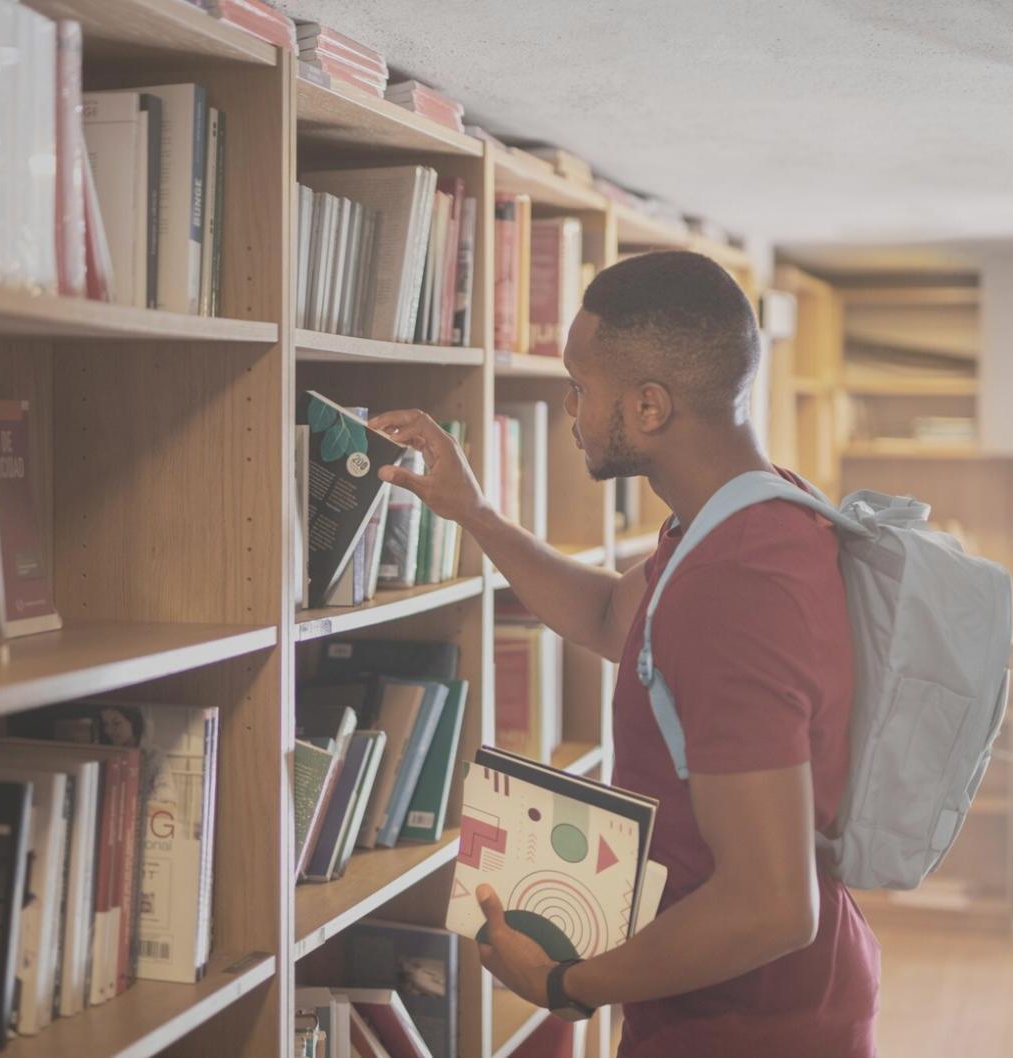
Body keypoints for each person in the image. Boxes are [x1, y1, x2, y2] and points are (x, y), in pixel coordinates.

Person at [368, 251, 880, 1058]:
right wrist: (477, 515)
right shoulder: (748, 509)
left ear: (648, 406)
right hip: (722, 1004)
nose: (569, 407)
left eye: (581, 386)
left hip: (750, 1029)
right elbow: (615, 614)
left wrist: (564, 984)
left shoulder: (737, 584)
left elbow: (775, 906)